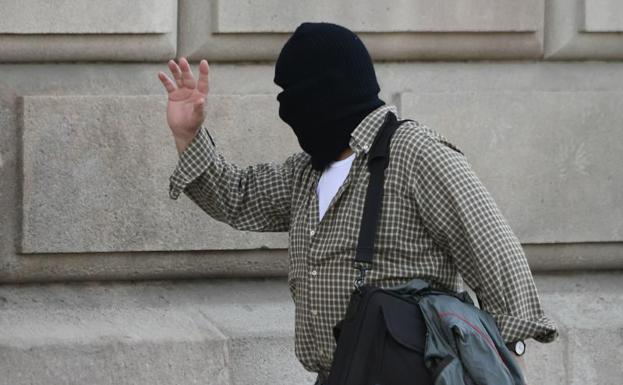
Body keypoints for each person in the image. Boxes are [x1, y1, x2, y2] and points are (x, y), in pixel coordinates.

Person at [158, 22, 558, 384]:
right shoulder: (308, 172)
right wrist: (187, 134)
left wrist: (507, 356)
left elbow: (495, 253)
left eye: (291, 94)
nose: (287, 109)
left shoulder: (415, 154)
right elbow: (238, 196)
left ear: (326, 90)